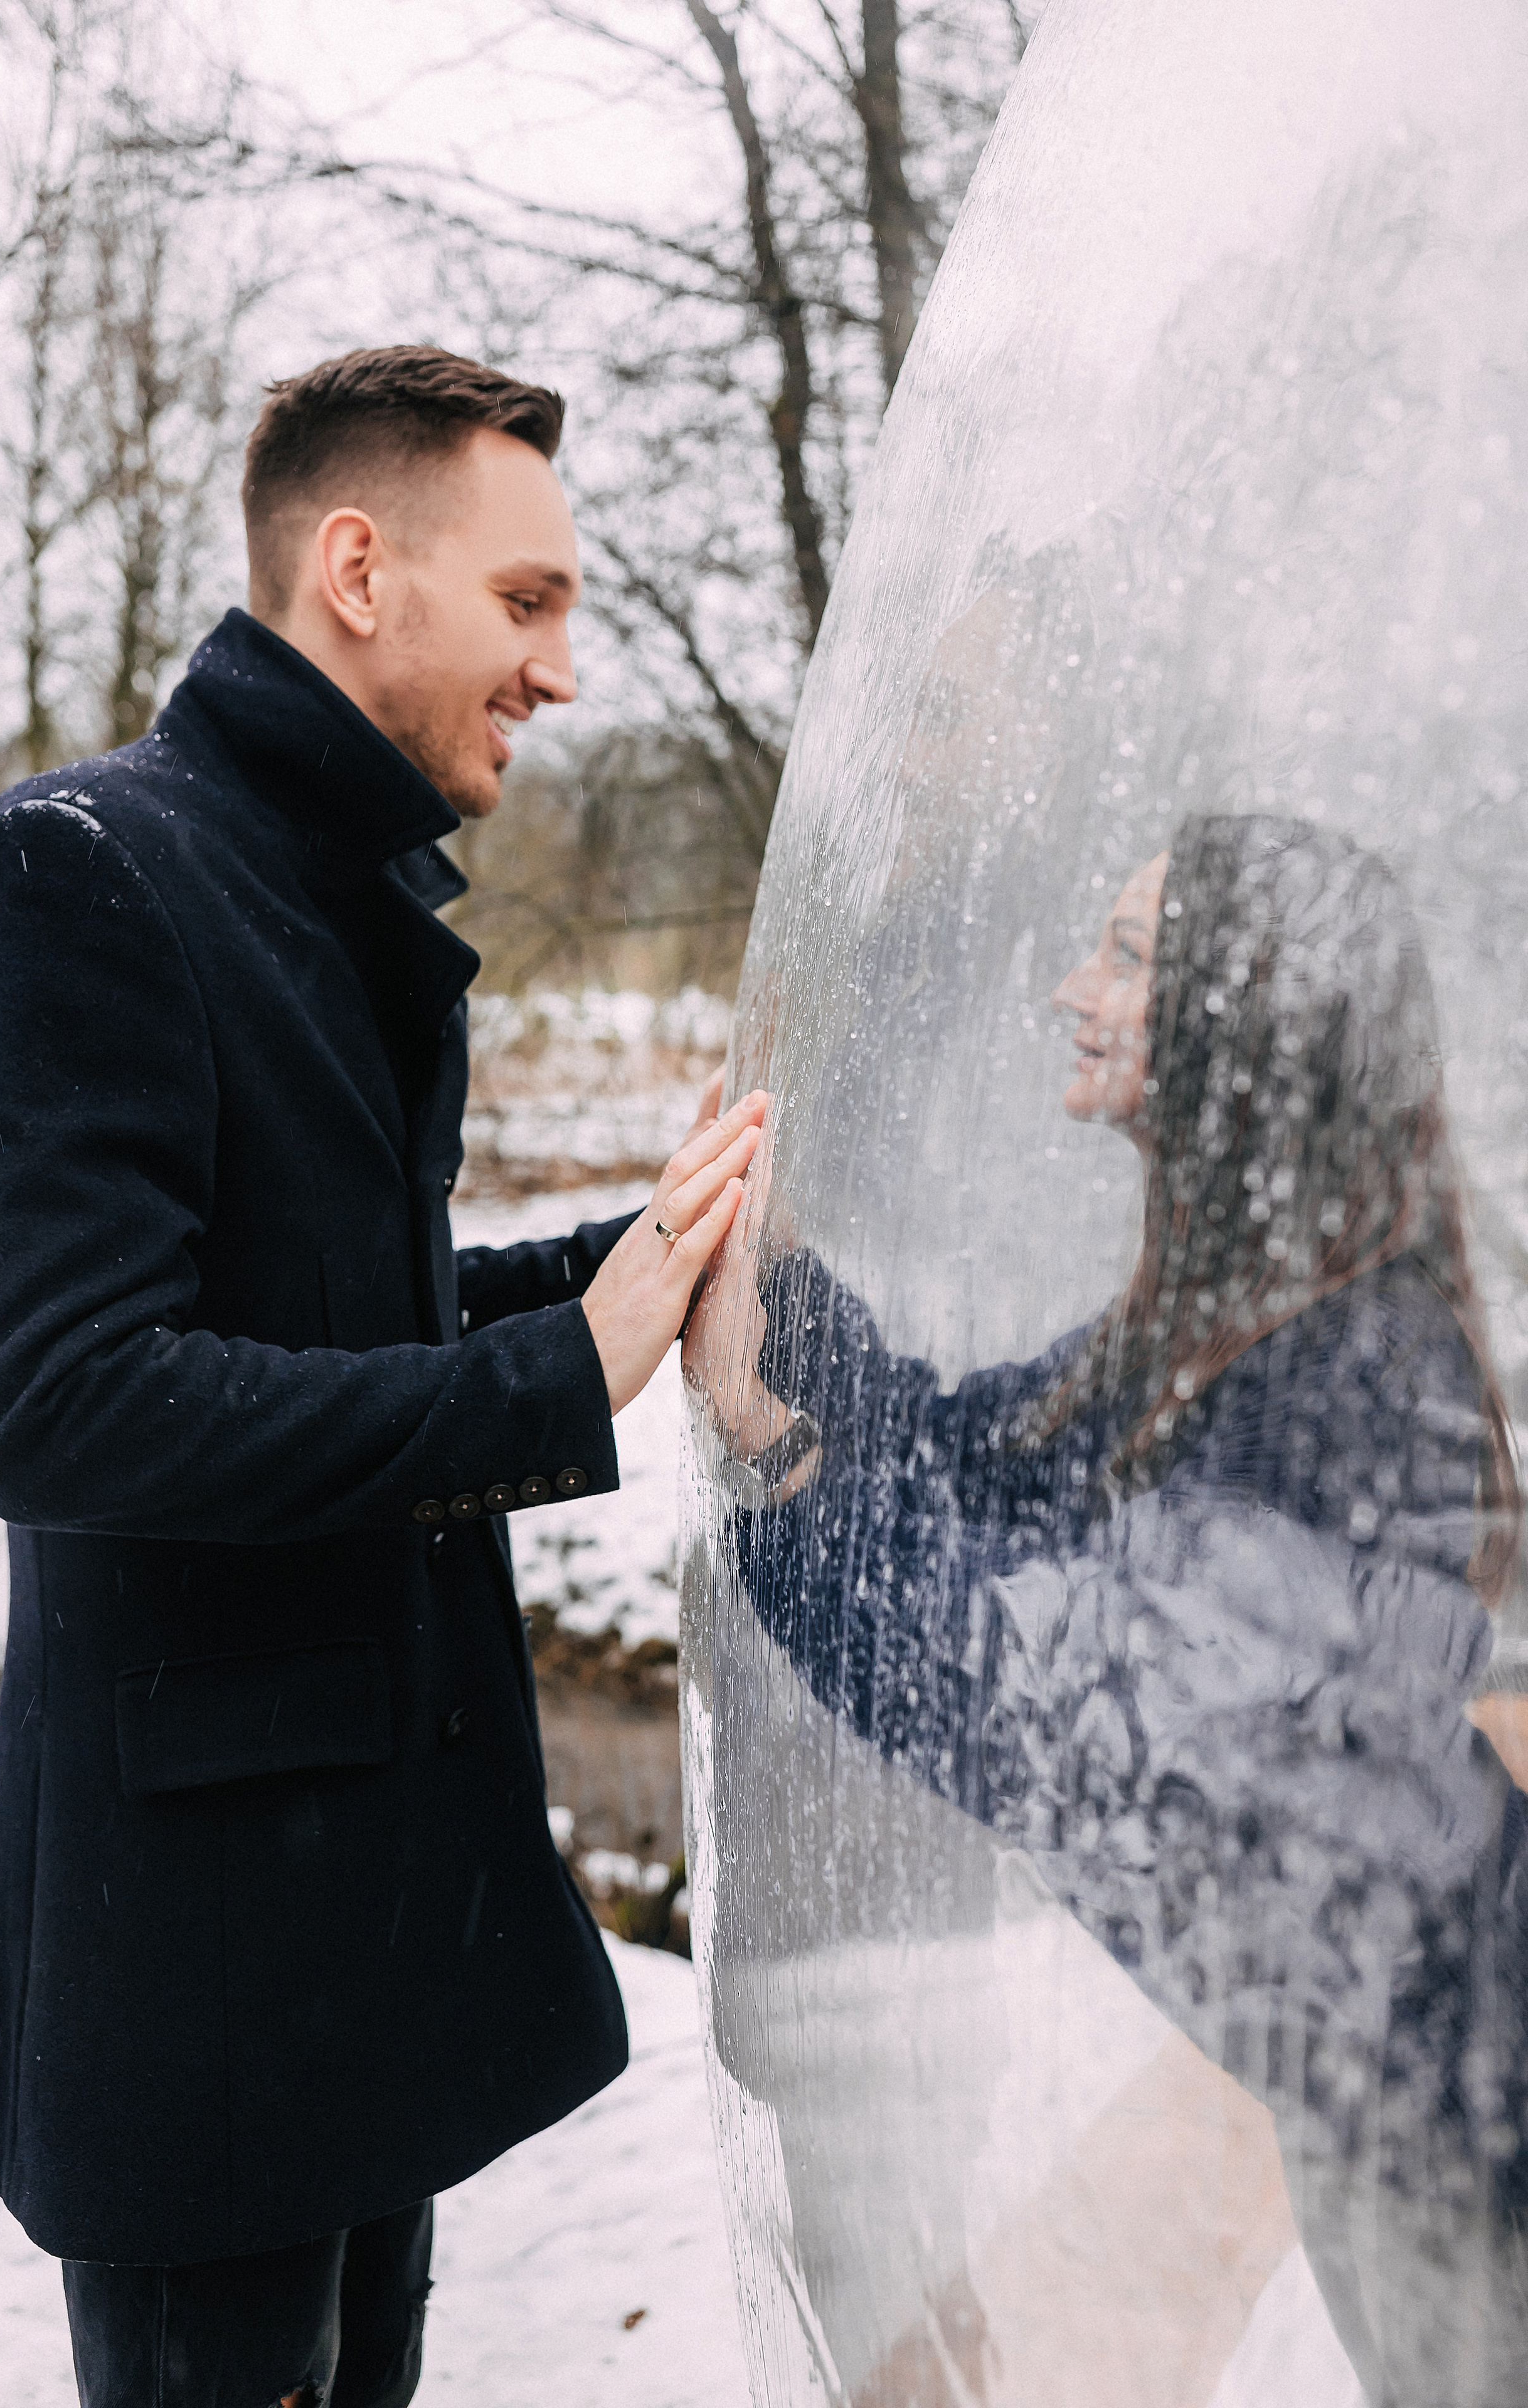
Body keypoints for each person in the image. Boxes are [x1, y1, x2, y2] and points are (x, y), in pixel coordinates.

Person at [0, 343, 766, 2408]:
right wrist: (560, 1379)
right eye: (531, 603)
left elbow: (324, 1311)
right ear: (360, 566)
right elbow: (65, 1403)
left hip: (353, 1936)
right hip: (200, 1975)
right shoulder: (85, 871)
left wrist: (637, 1260)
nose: (563, 670)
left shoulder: (320, 891)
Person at [687, 813, 1528, 2404]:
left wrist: (779, 1453)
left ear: (1242, 1016)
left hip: (1468, 2121)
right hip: (1372, 2089)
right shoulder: (1224, 1324)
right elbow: (959, 1459)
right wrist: (779, 1280)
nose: (1076, 987)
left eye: (1129, 956)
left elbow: (1056, 1723)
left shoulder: (1354, 1380)